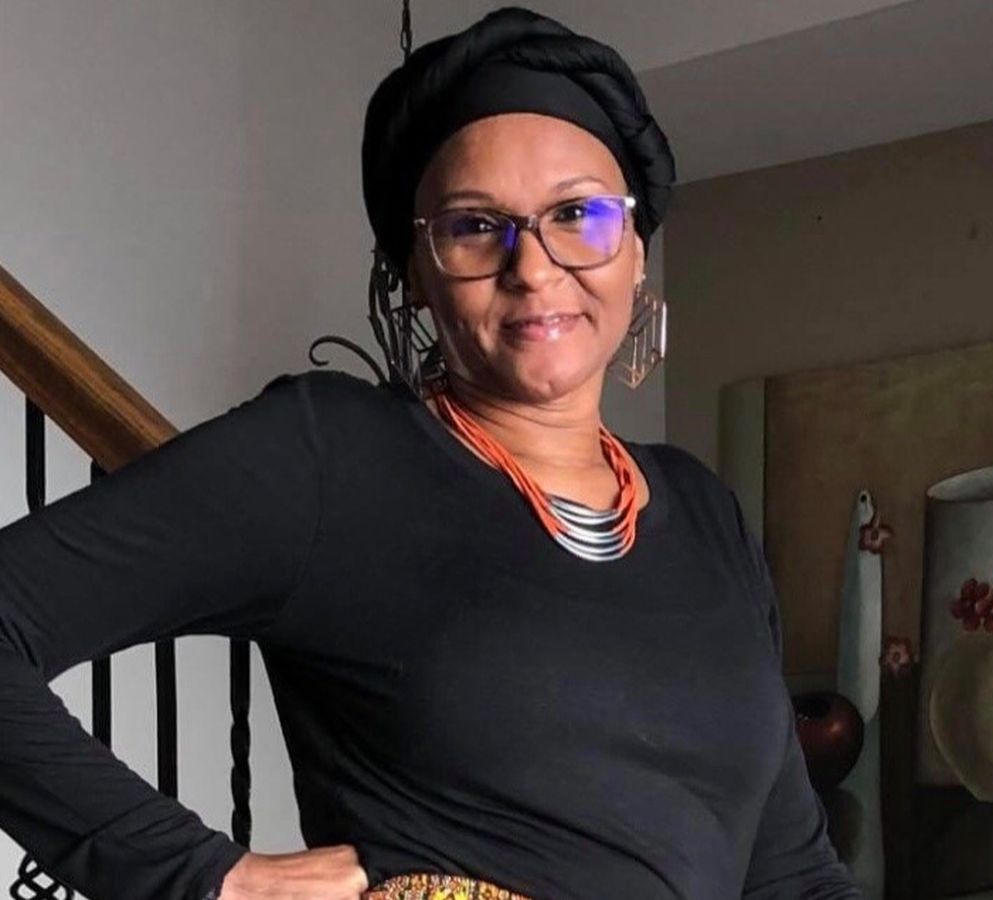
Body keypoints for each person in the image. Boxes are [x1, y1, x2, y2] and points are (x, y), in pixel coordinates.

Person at [0, 7, 859, 899]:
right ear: (415, 270)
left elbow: (791, 872)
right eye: (476, 226)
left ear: (635, 251)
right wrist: (205, 878)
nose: (534, 268)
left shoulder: (706, 512)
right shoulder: (331, 459)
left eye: (578, 213)